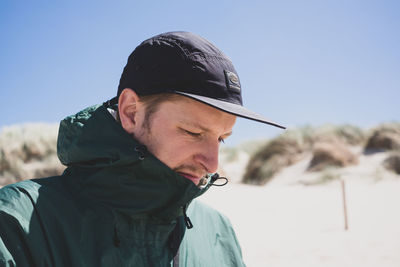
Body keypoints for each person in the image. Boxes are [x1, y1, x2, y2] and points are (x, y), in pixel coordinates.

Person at [0, 31, 285, 266]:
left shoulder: (219, 232)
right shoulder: (18, 222)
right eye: (193, 132)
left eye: (222, 138)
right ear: (131, 112)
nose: (212, 164)